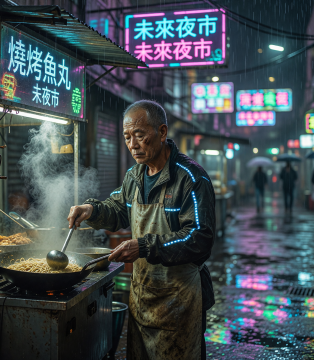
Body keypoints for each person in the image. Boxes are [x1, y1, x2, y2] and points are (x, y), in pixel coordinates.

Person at [67, 100, 216, 360]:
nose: (133, 144)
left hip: (179, 301)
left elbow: (200, 238)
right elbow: (117, 209)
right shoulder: (134, 176)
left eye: (139, 135)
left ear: (161, 132)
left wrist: (145, 246)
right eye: (127, 137)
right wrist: (92, 210)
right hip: (142, 298)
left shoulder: (190, 179)